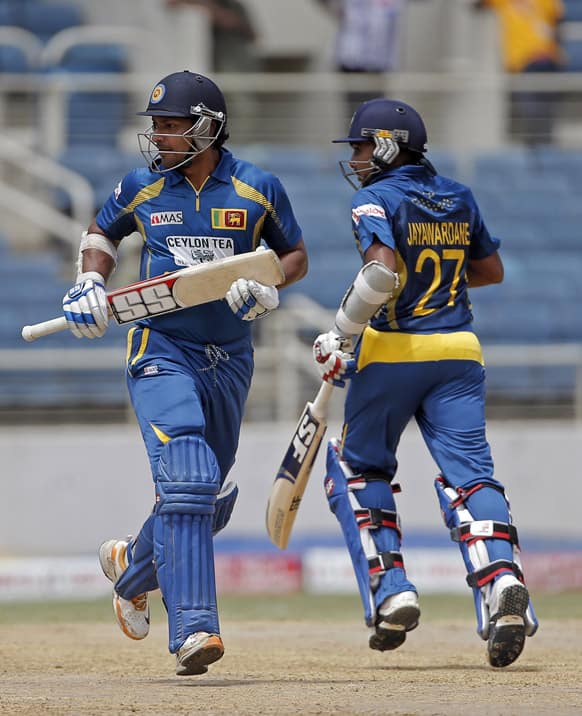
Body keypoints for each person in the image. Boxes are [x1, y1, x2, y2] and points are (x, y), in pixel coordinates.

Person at [61, 70, 307, 676]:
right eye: (158, 127)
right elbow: (101, 231)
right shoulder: (140, 185)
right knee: (192, 478)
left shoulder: (258, 188)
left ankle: (131, 569)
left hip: (230, 355)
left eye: (172, 126)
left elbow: (294, 253)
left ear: (210, 127)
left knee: (208, 497)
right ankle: (195, 629)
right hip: (161, 344)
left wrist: (270, 285)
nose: (161, 138)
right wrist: (91, 278)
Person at [311, 97, 538, 667]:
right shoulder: (458, 195)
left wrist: (340, 332)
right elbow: (489, 271)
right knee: (471, 476)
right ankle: (501, 579)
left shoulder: (374, 199)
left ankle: (393, 592)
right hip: (460, 351)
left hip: (391, 352)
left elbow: (381, 272)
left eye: (362, 147)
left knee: (356, 468)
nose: (357, 158)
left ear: (387, 146)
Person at [474, 0, 564, 145]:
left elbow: (557, 22)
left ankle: (544, 150)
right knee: (532, 111)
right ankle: (538, 150)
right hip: (524, 61)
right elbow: (477, 6)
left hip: (545, 59)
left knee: (542, 110)